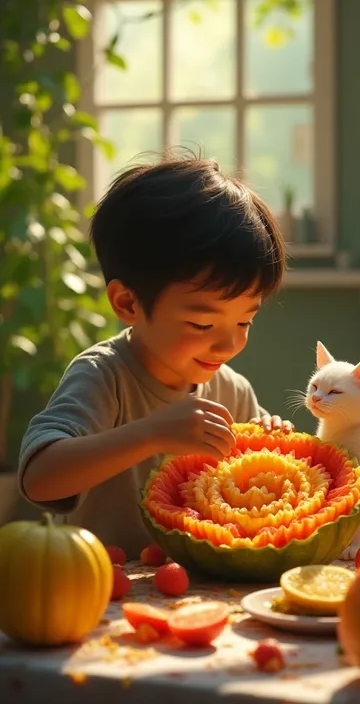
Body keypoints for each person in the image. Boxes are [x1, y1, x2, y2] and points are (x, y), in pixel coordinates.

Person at [18, 154, 292, 558]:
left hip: (196, 588)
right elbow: (39, 479)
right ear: (127, 303)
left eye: (244, 323)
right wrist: (151, 433)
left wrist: (271, 440)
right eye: (202, 325)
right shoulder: (102, 377)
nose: (227, 345)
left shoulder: (231, 392)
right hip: (103, 588)